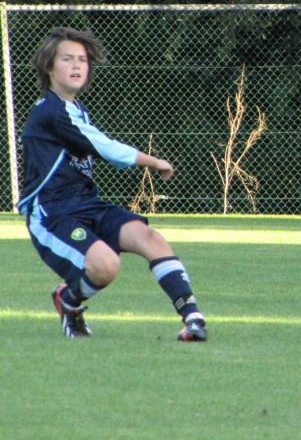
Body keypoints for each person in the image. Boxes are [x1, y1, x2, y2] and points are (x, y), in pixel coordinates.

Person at [17, 27, 207, 342]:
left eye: (82, 59)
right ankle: (68, 301)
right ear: (49, 67)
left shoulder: (75, 108)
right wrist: (153, 161)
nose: (77, 65)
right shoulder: (51, 112)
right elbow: (105, 147)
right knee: (106, 266)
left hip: (87, 203)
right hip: (52, 214)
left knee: (150, 238)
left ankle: (193, 319)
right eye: (67, 59)